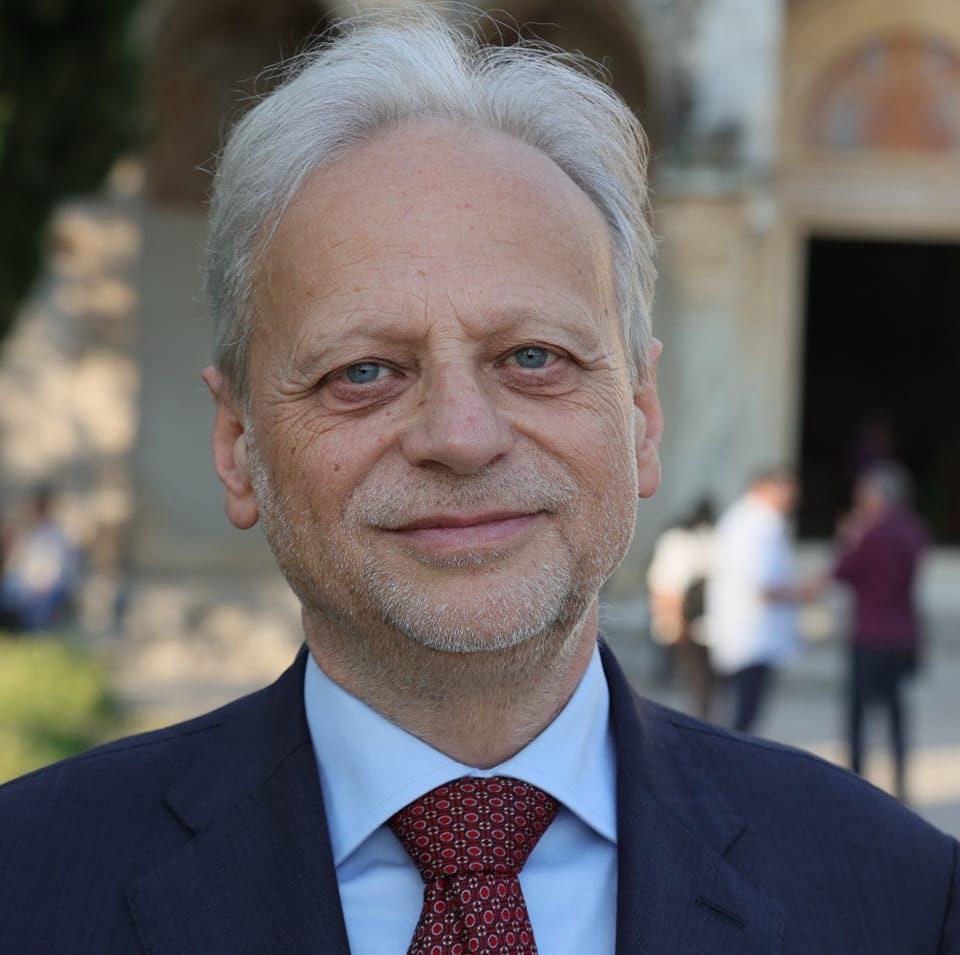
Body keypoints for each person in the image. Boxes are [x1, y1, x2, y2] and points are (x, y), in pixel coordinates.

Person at [0, 12, 956, 954]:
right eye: (364, 371)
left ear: (642, 417)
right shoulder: (27, 886)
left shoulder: (903, 901)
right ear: (237, 442)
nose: (461, 437)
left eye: (533, 357)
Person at [832, 464, 929, 802]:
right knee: (895, 711)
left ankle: (856, 782)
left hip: (871, 632)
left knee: (859, 712)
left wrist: (848, 537)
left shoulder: (871, 533)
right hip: (903, 633)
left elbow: (843, 571)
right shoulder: (913, 530)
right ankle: (901, 780)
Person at [706, 469, 809, 733]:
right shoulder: (756, 525)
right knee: (743, 715)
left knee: (742, 711)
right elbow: (760, 584)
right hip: (751, 633)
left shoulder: (753, 521)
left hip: (752, 633)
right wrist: (803, 592)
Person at [646, 499, 715, 719]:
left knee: (694, 676)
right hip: (676, 616)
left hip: (695, 618)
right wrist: (670, 618)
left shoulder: (704, 540)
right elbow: (665, 586)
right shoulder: (678, 542)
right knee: (670, 672)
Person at [0, 485, 77, 632]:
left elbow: (50, 577)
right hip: (20, 595)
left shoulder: (54, 536)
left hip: (36, 600)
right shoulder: (29, 533)